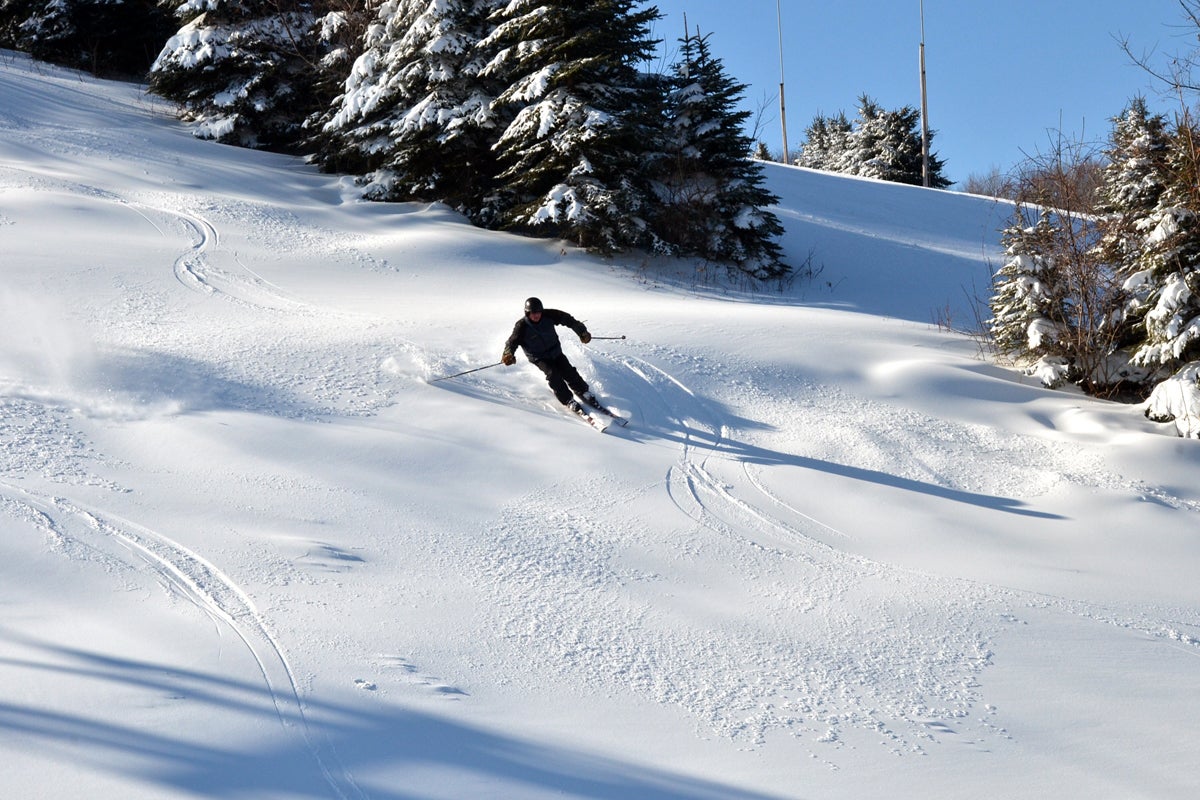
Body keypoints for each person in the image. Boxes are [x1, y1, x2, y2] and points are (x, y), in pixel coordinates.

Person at [502, 297, 598, 417]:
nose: (537, 315)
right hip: (539, 357)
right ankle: (568, 400)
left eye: (538, 312)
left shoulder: (549, 315)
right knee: (553, 374)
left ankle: (583, 391)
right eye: (533, 313)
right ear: (527, 313)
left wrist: (582, 332)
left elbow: (569, 320)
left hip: (555, 351)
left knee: (568, 370)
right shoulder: (521, 326)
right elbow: (511, 342)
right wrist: (508, 354)